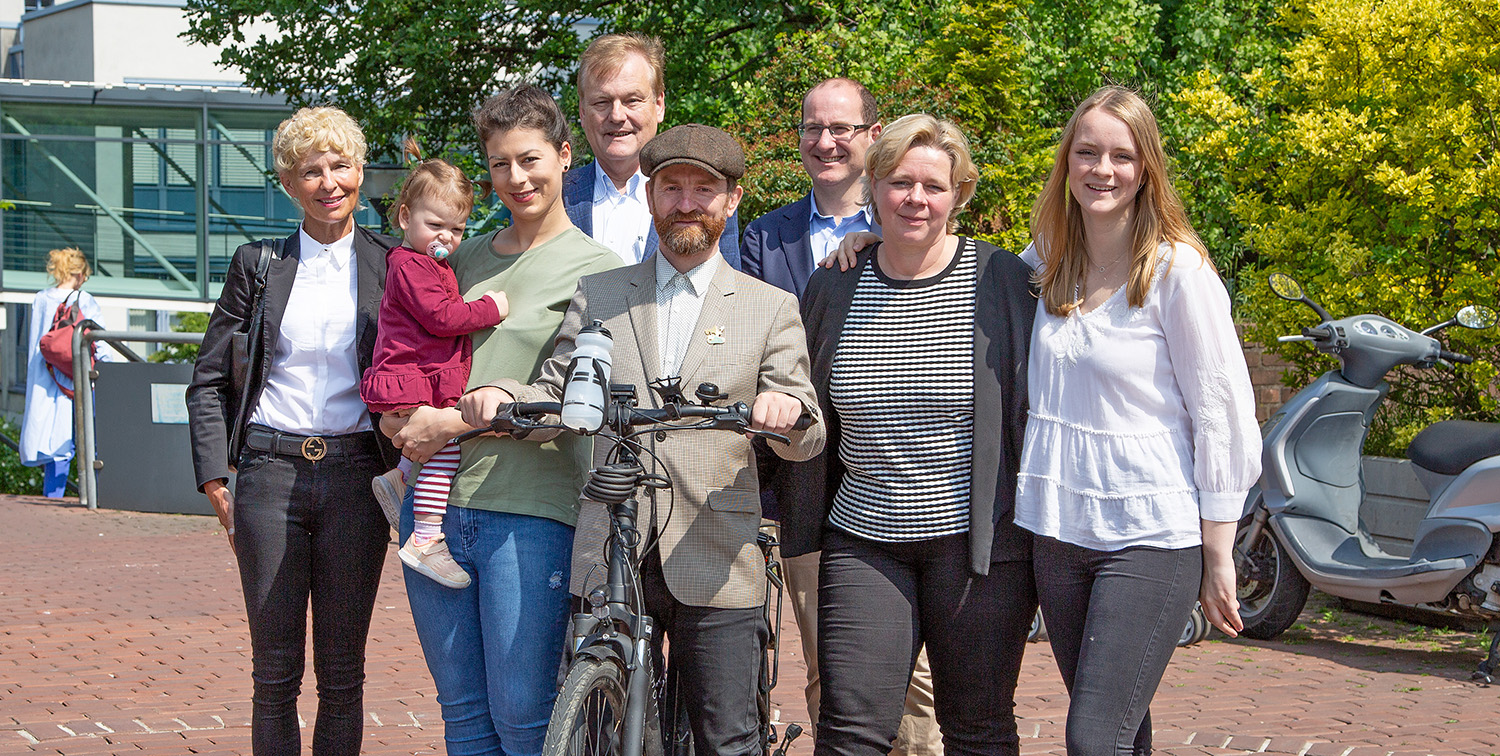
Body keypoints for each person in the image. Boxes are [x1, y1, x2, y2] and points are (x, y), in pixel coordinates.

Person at [462, 123, 824, 756]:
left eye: (703, 189)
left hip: (716, 546)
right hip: (614, 538)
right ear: (651, 196)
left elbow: (807, 423)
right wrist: (504, 396)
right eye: (671, 188)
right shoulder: (602, 291)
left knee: (726, 735)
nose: (686, 203)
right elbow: (559, 385)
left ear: (731, 200)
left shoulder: (768, 306)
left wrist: (786, 411)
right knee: (601, 729)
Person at [776, 114, 1038, 756]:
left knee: (977, 730)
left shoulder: (1002, 281)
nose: (915, 199)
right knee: (850, 732)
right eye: (898, 182)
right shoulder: (836, 282)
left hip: (978, 551)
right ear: (873, 187)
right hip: (864, 540)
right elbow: (808, 399)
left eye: (934, 186)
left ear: (960, 195)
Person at [1014, 85, 1259, 755]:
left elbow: (1223, 414)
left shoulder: (1179, 272)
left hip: (1151, 532)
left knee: (1094, 737)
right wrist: (876, 236)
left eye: (1121, 155)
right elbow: (960, 271)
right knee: (1122, 729)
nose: (1103, 169)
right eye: (1087, 152)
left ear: (1146, 167)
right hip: (1059, 530)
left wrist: (1218, 549)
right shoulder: (1047, 260)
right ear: (1066, 163)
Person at [386, 84, 621, 756]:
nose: (515, 178)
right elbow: (411, 346)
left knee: (524, 721)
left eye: (529, 159)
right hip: (434, 512)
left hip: (529, 514)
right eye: (498, 163)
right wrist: (397, 414)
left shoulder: (598, 270)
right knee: (462, 718)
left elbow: (574, 400)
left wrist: (445, 425)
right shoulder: (463, 256)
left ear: (564, 155)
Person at [185, 106, 403, 756]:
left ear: (360, 171)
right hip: (268, 477)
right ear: (288, 183)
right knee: (274, 674)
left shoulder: (392, 266)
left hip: (356, 479)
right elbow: (206, 380)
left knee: (342, 676)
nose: (328, 181)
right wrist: (213, 479)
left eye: (340, 165)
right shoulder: (258, 265)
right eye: (312, 170)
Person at [742, 79, 944, 756]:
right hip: (806, 489)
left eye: (842, 128)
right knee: (830, 667)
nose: (825, 141)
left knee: (912, 681)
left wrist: (875, 239)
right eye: (811, 127)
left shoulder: (909, 214)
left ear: (871, 134)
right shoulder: (766, 237)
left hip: (897, 488)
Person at [360, 151, 508, 590]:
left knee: (430, 444)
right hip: (409, 375)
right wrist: (490, 308)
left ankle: (399, 479)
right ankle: (425, 537)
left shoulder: (429, 262)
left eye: (457, 228)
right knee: (445, 450)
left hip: (416, 373)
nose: (446, 236)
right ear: (405, 217)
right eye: (435, 224)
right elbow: (442, 317)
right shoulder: (411, 265)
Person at [562, 32, 742, 269]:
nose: (617, 116)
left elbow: (723, 291)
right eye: (601, 102)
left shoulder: (706, 199)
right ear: (583, 112)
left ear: (659, 105)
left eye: (632, 100)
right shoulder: (555, 196)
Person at [21, 247, 108, 498]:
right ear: (79, 273)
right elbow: (100, 340)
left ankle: (53, 495)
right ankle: (93, 496)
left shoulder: (40, 299)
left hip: (47, 376)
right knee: (91, 439)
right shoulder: (84, 299)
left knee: (53, 438)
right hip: (77, 378)